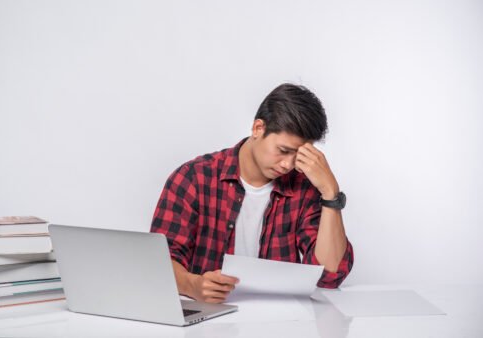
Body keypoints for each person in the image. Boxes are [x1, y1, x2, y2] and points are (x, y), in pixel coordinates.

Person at [150, 83, 354, 303]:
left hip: (281, 320)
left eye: (299, 156)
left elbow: (330, 275)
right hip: (208, 320)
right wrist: (193, 286)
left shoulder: (304, 188)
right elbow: (160, 261)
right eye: (284, 151)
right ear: (258, 128)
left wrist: (330, 193)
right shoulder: (193, 178)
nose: (288, 164)